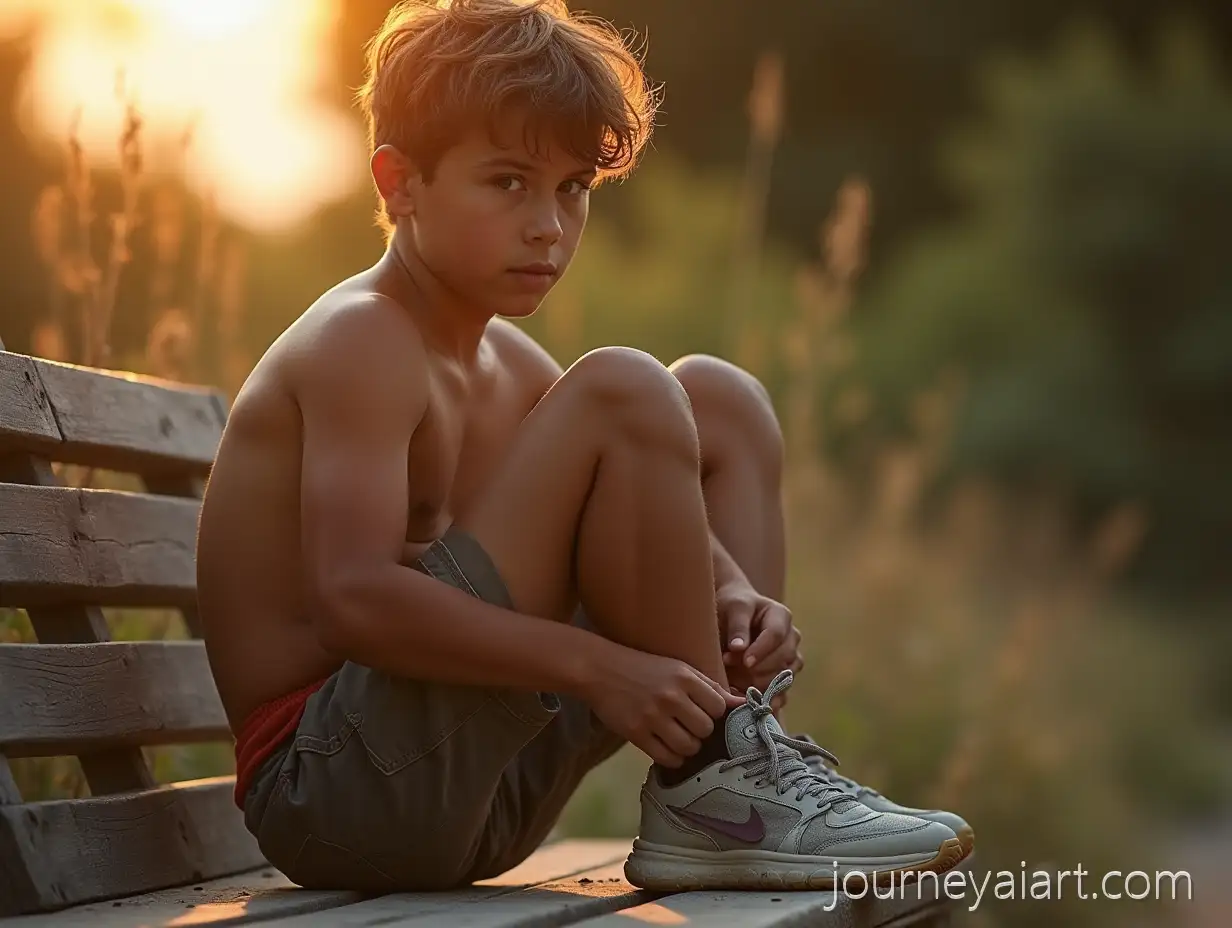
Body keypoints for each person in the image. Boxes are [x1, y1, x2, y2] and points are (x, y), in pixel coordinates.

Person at [196, 0, 973, 894]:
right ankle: (720, 785)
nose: (549, 227)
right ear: (398, 183)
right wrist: (604, 669)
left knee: (719, 401)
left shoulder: (507, 361)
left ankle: (741, 762)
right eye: (508, 183)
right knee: (626, 386)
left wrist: (735, 595)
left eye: (572, 189)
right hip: (334, 791)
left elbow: (645, 503)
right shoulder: (363, 340)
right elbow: (351, 602)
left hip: (476, 793)